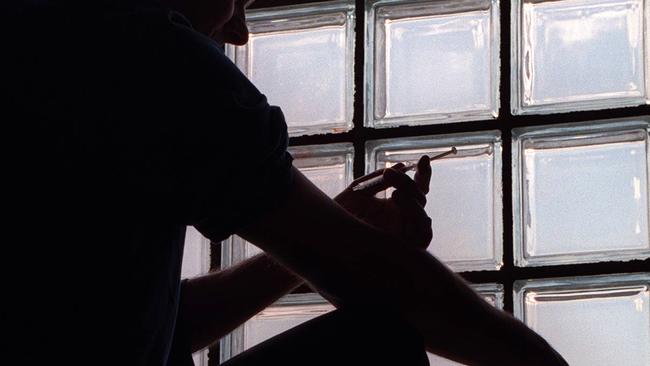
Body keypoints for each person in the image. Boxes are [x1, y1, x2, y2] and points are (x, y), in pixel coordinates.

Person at [3, 0, 568, 365]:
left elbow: (149, 330)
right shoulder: (150, 54)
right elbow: (385, 281)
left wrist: (312, 243)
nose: (241, 32)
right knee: (376, 347)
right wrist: (537, 361)